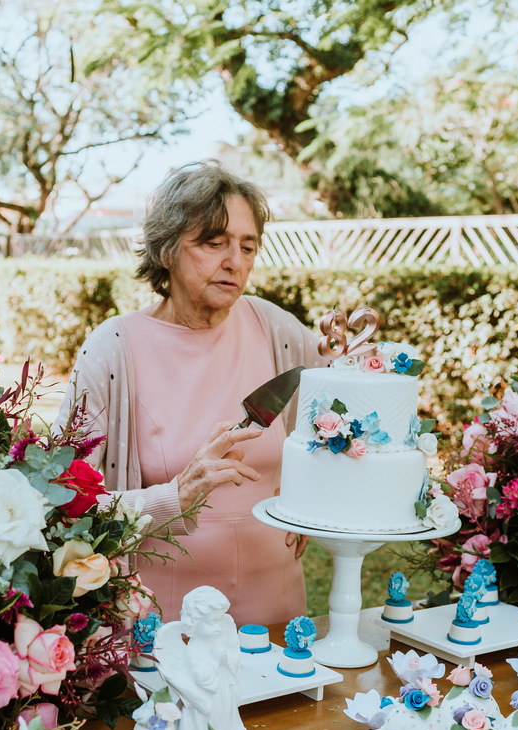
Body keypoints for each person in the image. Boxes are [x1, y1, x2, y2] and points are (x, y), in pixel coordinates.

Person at [56, 161, 324, 625]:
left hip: (278, 612)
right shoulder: (113, 350)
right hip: (163, 619)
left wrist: (312, 492)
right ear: (167, 249)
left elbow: (346, 414)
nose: (234, 261)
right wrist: (175, 497)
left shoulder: (273, 327)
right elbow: (61, 499)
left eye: (247, 246)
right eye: (213, 243)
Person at [152, 586, 245, 730]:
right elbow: (202, 679)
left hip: (222, 693)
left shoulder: (215, 642)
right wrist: (217, 660)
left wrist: (227, 660)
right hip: (201, 700)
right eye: (211, 623)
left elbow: (232, 666)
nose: (218, 628)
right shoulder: (194, 650)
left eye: (219, 621)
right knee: (206, 720)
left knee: (222, 717)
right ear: (193, 623)